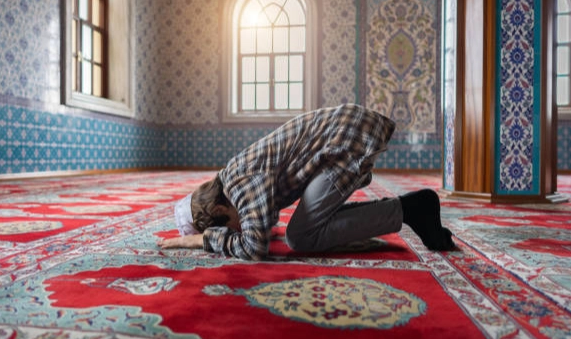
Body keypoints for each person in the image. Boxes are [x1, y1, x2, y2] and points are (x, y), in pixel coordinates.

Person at [158, 104, 455, 260]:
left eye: (227, 228)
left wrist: (204, 240)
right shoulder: (234, 181)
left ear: (220, 210)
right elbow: (261, 225)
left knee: (300, 235)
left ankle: (412, 209)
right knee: (307, 225)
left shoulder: (239, 185)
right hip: (342, 137)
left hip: (343, 140)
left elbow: (254, 248)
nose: (237, 230)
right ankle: (411, 209)